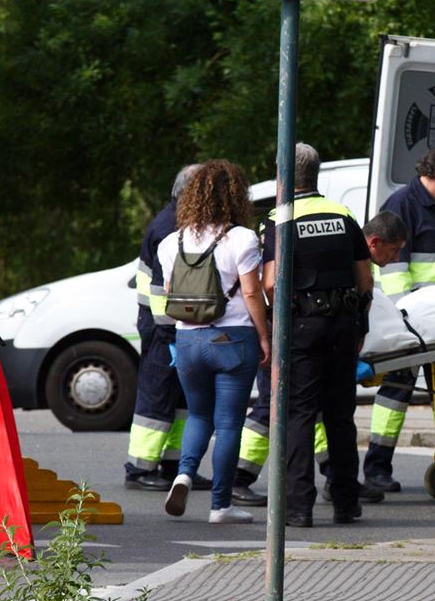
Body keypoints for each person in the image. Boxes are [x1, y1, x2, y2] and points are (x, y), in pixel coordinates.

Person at [231, 210, 407, 508]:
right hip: (292, 333)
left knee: (319, 411)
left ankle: (337, 479)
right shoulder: (347, 245)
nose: (396, 257)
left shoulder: (329, 237)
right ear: (375, 242)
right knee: (271, 407)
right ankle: (240, 478)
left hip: (301, 334)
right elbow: (273, 284)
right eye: (394, 250)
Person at [261, 143, 373, 528]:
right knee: (340, 416)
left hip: (302, 327)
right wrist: (359, 323)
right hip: (343, 325)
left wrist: (282, 321)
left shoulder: (279, 219)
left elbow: (273, 283)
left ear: (283, 175)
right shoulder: (343, 215)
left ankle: (298, 507)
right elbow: (365, 279)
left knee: (300, 415)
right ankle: (346, 501)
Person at [159, 160, 271, 524]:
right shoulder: (241, 238)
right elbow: (252, 292)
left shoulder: (170, 243)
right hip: (232, 338)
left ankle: (185, 473)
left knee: (198, 415)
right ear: (235, 196)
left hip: (188, 339)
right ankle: (220, 505)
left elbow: (170, 292)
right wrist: (265, 336)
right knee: (227, 424)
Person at [364, 147, 435, 493]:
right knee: (396, 392)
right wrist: (404, 320)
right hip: (414, 322)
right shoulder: (403, 206)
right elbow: (395, 270)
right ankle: (376, 467)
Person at [123, 165, 211, 493]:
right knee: (157, 396)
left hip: (173, 326)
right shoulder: (168, 229)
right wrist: (172, 334)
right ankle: (140, 467)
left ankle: (175, 466)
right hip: (164, 327)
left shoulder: (180, 223)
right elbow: (161, 293)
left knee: (180, 401)